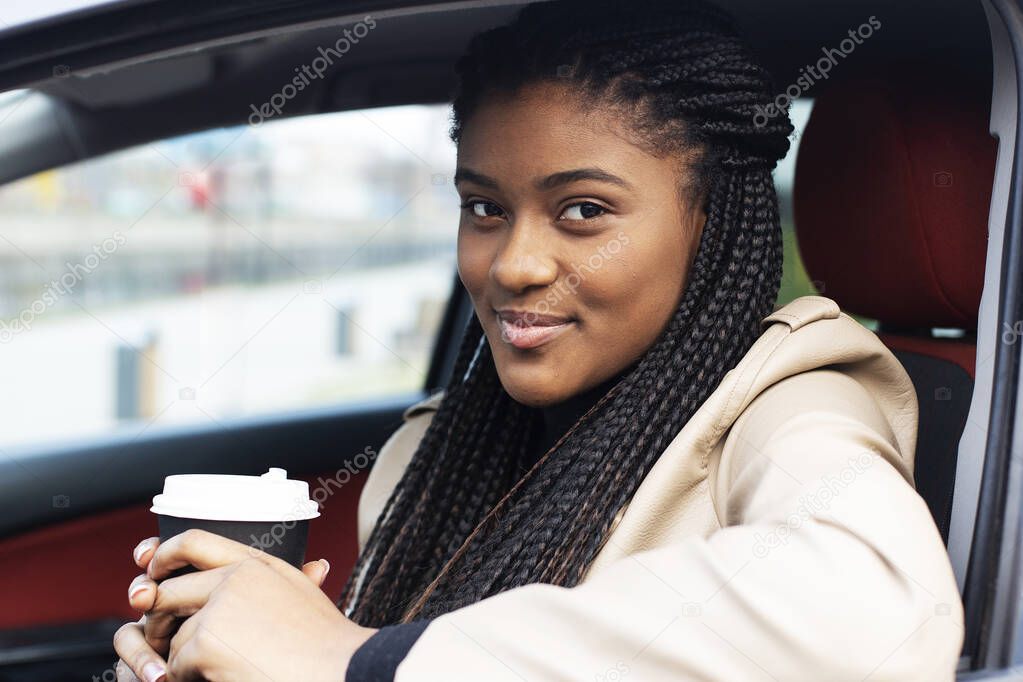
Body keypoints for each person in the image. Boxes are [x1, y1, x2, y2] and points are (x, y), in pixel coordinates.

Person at [113, 0, 965, 679]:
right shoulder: (443, 447)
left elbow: (875, 617)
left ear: (711, 224)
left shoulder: (796, 398)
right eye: (484, 207)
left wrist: (357, 660)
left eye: (583, 211)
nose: (513, 264)